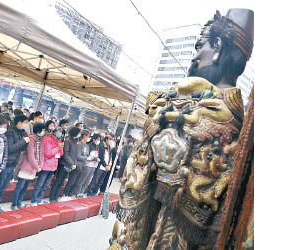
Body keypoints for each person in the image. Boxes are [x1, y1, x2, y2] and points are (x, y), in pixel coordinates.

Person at [107, 9, 254, 250]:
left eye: (199, 47)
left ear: (217, 47)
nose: (194, 57)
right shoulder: (244, 125)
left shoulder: (178, 109)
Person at [0, 114, 29, 214]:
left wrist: (25, 142)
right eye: (24, 123)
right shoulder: (10, 132)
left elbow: (22, 148)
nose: (25, 125)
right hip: (6, 163)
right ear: (19, 122)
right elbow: (10, 148)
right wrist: (23, 141)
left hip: (14, 162)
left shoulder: (22, 132)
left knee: (3, 187)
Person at [11, 123, 46, 209]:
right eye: (43, 130)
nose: (44, 132)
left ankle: (19, 202)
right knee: (20, 186)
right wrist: (37, 167)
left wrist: (40, 165)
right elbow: (30, 155)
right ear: (38, 131)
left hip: (34, 167)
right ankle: (14, 204)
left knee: (25, 187)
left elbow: (42, 154)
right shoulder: (31, 139)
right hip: (27, 166)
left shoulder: (41, 140)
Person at [31, 122, 64, 205]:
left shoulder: (59, 140)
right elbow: (48, 153)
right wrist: (57, 148)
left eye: (61, 132)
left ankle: (39, 199)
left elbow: (61, 154)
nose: (59, 134)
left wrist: (59, 149)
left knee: (45, 185)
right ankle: (34, 200)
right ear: (54, 132)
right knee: (40, 184)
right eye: (58, 132)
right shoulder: (47, 139)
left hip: (53, 166)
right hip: (46, 165)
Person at [49, 127, 81, 202]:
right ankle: (52, 197)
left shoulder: (75, 141)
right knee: (58, 181)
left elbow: (75, 155)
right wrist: (72, 163)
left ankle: (55, 197)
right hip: (64, 164)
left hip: (70, 165)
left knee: (61, 182)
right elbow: (65, 154)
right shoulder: (68, 140)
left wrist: (74, 164)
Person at [65, 129, 91, 199]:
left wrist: (87, 158)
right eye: (89, 136)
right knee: (71, 181)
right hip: (77, 165)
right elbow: (78, 156)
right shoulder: (79, 144)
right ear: (84, 136)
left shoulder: (87, 146)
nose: (89, 138)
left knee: (77, 182)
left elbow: (87, 155)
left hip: (83, 166)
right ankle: (65, 194)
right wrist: (86, 158)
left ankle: (70, 194)